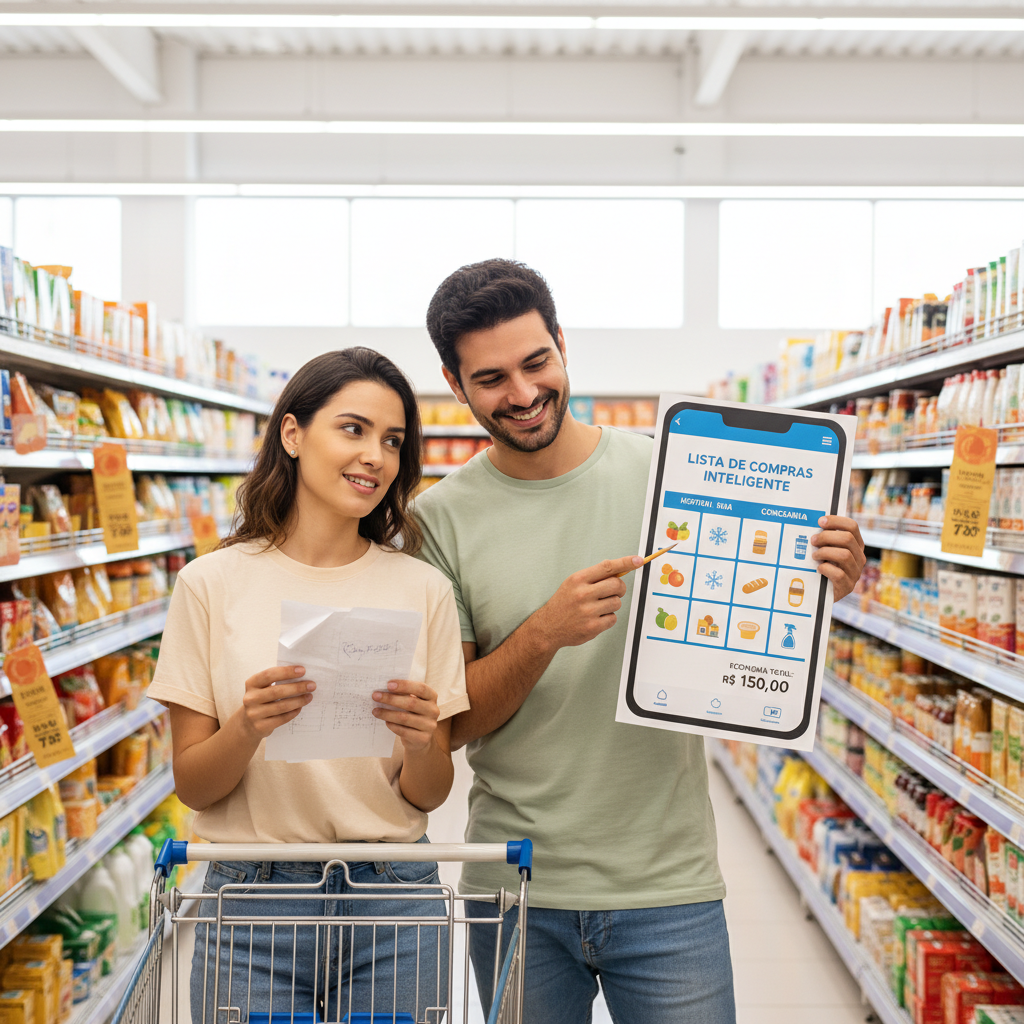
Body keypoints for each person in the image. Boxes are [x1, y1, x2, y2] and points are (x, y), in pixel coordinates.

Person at [414, 259, 866, 1023]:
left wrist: (822, 580)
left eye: (536, 362)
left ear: (563, 344)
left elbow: (759, 607)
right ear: (455, 386)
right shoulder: (438, 521)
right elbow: (451, 725)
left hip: (667, 884)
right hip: (515, 887)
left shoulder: (672, 471)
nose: (522, 394)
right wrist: (544, 634)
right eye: (490, 379)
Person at [147, 347, 469, 1022]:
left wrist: (420, 743)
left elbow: (429, 792)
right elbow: (194, 786)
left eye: (392, 441)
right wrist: (247, 726)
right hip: (250, 904)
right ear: (292, 434)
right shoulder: (209, 585)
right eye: (353, 429)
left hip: (394, 902)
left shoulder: (424, 590)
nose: (375, 457)